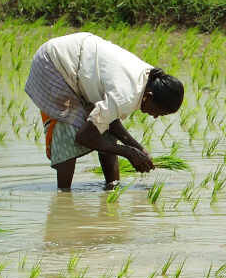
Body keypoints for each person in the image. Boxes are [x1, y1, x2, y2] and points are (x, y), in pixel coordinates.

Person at [23, 32, 184, 190]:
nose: (155, 116)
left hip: (78, 59)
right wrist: (128, 152)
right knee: (68, 127)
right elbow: (84, 136)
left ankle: (112, 188)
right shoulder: (127, 94)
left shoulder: (150, 78)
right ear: (148, 97)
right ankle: (63, 196)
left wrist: (138, 149)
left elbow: (109, 122)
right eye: (158, 112)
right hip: (53, 63)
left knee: (103, 129)